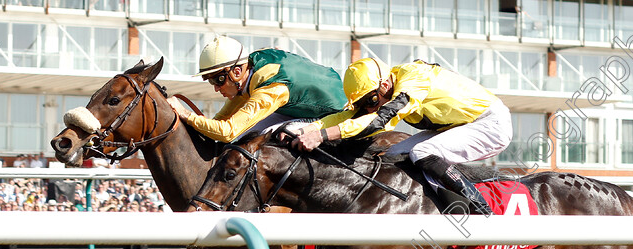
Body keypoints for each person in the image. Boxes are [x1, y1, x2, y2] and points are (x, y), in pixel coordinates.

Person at [291, 57, 513, 215]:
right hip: (458, 125)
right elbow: (348, 116)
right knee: (392, 155)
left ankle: (480, 211)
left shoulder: (412, 81)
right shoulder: (382, 87)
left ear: (385, 85)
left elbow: (378, 121)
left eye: (370, 102)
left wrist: (322, 136)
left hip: (490, 123)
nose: (369, 109)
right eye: (363, 104)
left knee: (422, 151)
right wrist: (304, 130)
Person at [166, 36, 347, 143]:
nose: (215, 89)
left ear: (237, 71)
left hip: (331, 115)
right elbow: (221, 120)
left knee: (270, 136)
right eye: (210, 81)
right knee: (243, 134)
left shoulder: (271, 90)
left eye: (218, 80)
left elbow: (227, 132)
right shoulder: (249, 67)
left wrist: (185, 114)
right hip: (298, 102)